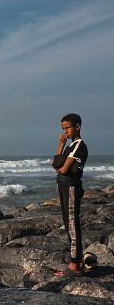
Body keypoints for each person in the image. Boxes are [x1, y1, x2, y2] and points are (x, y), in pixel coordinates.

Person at [53, 113, 88, 276]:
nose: (65, 131)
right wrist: (61, 144)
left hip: (71, 187)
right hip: (64, 186)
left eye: (67, 127)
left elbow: (64, 169)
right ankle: (77, 261)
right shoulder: (70, 145)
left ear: (77, 127)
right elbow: (56, 164)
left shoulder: (79, 145)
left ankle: (75, 265)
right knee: (68, 223)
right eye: (63, 129)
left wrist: (61, 166)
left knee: (72, 224)